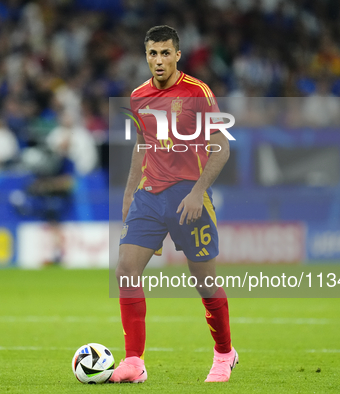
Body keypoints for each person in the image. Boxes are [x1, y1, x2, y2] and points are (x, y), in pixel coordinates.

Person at [111, 26, 236, 383]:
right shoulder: (138, 96)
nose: (159, 60)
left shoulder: (198, 93)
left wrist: (197, 192)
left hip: (188, 196)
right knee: (126, 270)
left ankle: (225, 353)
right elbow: (142, 144)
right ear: (146, 55)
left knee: (205, 284)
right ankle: (134, 362)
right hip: (149, 196)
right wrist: (129, 191)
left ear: (178, 55)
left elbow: (221, 147)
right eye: (153, 53)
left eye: (166, 53)